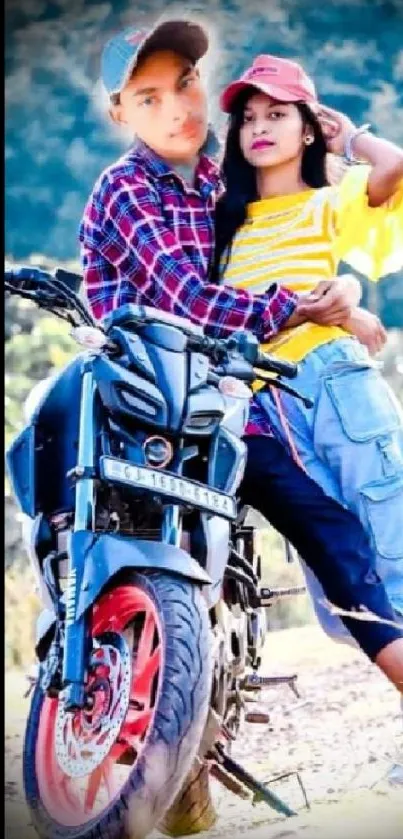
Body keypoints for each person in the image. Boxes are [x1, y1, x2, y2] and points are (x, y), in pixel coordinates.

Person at [79, 19, 403, 697]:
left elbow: (295, 251)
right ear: (120, 112)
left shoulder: (218, 194)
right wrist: (299, 305)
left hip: (271, 391)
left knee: (360, 532)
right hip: (180, 403)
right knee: (319, 559)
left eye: (186, 85)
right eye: (148, 96)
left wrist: (345, 300)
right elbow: (194, 299)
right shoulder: (140, 192)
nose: (175, 107)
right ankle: (149, 743)